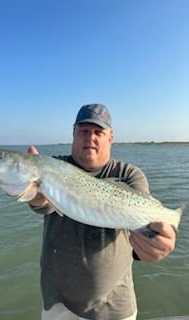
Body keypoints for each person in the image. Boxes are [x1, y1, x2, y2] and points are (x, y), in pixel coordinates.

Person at [28, 104, 177, 320]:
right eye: (84, 131)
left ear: (110, 138)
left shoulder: (129, 175)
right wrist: (33, 194)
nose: (91, 138)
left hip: (113, 307)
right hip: (57, 303)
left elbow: (147, 223)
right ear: (73, 134)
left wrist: (157, 240)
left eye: (99, 132)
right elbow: (43, 203)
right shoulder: (53, 167)